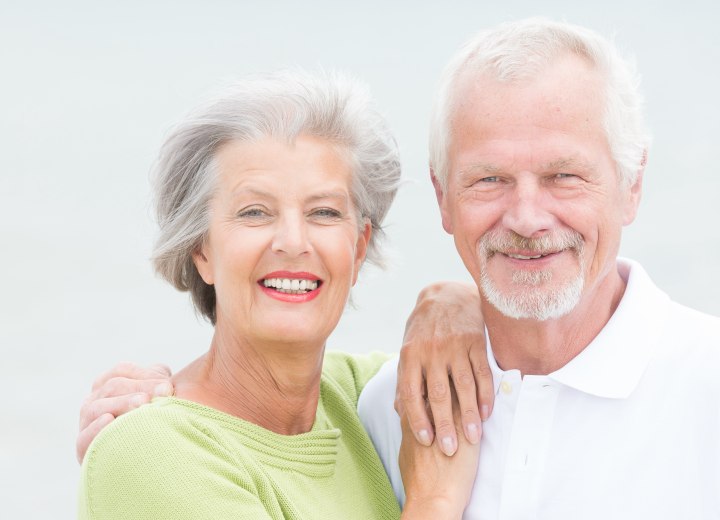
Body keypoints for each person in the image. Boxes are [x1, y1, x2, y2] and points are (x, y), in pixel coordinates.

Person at [77, 69, 482, 520]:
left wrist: (456, 303)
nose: (293, 241)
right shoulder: (153, 451)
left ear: (359, 247)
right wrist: (435, 501)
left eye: (324, 212)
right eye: (255, 212)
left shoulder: (363, 395)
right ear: (201, 249)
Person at [359, 18, 720, 518]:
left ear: (632, 183)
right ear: (442, 197)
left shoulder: (709, 385)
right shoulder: (392, 405)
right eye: (489, 179)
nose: (526, 218)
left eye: (563, 176)